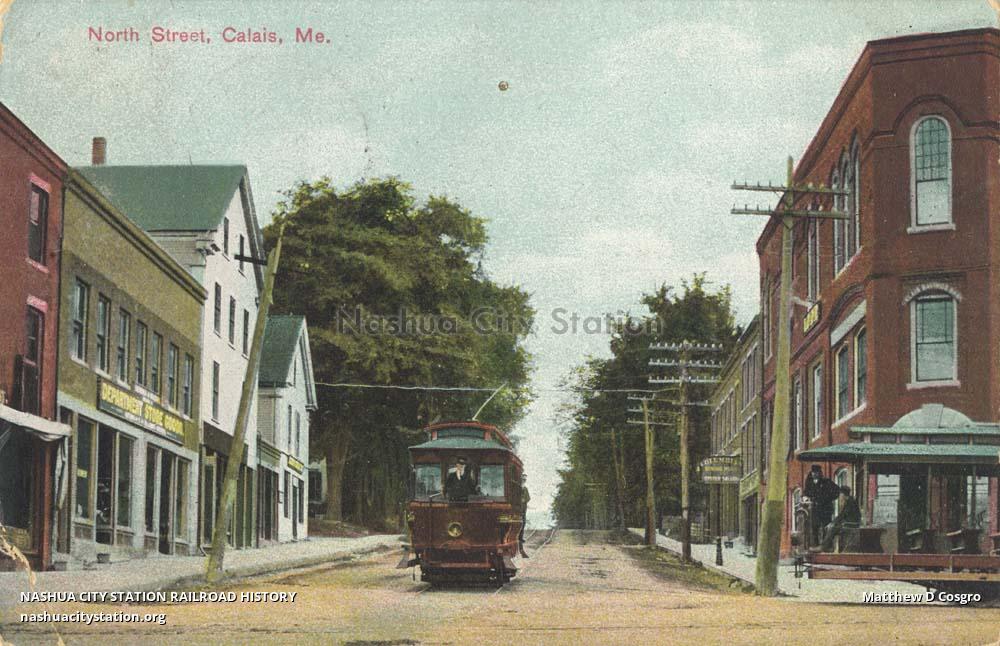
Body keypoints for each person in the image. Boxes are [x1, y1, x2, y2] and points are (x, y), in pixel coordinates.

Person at [803, 465, 839, 547]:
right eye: (813, 472)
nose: (814, 474)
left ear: (820, 473)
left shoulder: (826, 482)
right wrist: (806, 497)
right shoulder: (809, 483)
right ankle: (815, 546)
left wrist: (827, 499)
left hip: (825, 509)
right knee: (814, 528)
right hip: (815, 510)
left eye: (816, 472)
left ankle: (826, 546)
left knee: (826, 528)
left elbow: (837, 491)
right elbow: (806, 493)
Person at [821, 486, 862, 552]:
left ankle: (824, 547)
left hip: (850, 524)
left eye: (840, 494)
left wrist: (832, 523)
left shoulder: (850, 502)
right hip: (849, 523)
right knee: (832, 527)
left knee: (832, 528)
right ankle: (828, 547)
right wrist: (833, 523)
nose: (839, 496)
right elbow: (842, 515)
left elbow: (842, 515)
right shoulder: (849, 501)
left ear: (843, 494)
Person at [519, 478, 530, 558]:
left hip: (523, 508)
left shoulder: (525, 489)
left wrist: (524, 500)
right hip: (519, 508)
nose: (523, 482)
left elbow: (528, 498)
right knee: (520, 523)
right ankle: (520, 538)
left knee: (523, 523)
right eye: (522, 481)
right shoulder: (517, 488)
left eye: (524, 481)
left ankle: (521, 537)